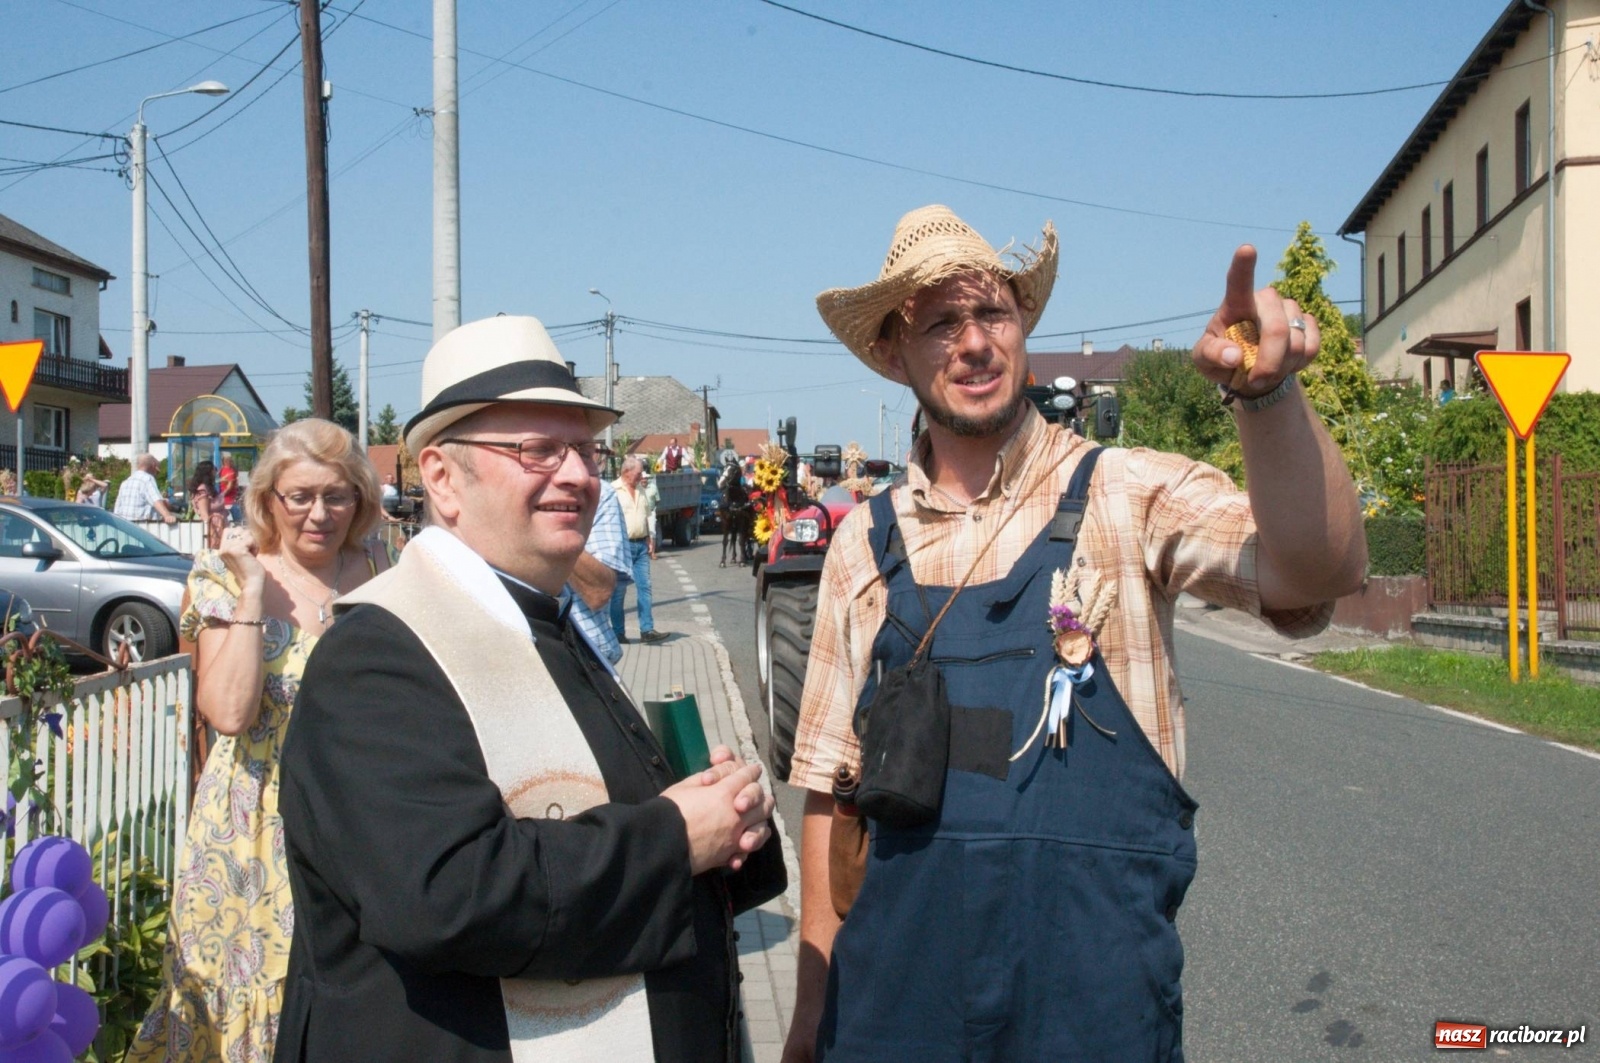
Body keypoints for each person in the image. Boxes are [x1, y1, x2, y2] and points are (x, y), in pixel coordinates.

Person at [783, 205, 1366, 1061]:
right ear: (893, 354)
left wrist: (1269, 395)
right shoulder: (858, 547)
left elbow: (1317, 572)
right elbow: (831, 803)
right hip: (891, 1021)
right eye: (941, 322)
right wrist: (806, 1023)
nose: (974, 342)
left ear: (1023, 326)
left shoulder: (1125, 497)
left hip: (1094, 1022)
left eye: (993, 313)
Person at [275, 315, 782, 1063]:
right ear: (442, 477)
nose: (578, 474)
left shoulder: (539, 620)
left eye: (584, 448)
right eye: (539, 449)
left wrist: (730, 819)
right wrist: (675, 836)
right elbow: (448, 892)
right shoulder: (375, 656)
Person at [127, 419, 388, 1063]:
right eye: (299, 496)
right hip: (254, 825)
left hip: (356, 816)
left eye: (337, 495)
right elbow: (230, 712)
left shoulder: (381, 569)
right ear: (268, 499)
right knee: (251, 993)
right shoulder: (226, 575)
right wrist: (251, 591)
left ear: (360, 499)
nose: (319, 513)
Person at [569, 477, 629, 663]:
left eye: (584, 452)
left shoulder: (599, 492)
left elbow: (598, 592)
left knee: (643, 590)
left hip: (585, 656)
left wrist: (553, 534)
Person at [610, 456, 667, 644]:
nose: (641, 476)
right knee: (619, 592)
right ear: (626, 472)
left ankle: (647, 630)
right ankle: (618, 633)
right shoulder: (613, 490)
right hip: (621, 547)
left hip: (641, 545)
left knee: (645, 587)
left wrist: (650, 538)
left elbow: (646, 516)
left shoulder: (642, 490)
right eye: (638, 473)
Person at [113, 453, 178, 524]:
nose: (156, 475)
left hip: (126, 526)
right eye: (157, 471)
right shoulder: (147, 479)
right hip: (142, 527)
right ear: (153, 465)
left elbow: (117, 507)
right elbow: (156, 500)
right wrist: (167, 515)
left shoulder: (125, 482)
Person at [187, 459, 226, 549]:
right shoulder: (202, 489)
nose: (215, 473)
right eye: (213, 470)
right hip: (213, 526)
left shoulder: (209, 487)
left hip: (218, 525)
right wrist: (213, 533)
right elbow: (204, 513)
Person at [218, 452, 242, 524]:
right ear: (227, 461)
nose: (232, 462)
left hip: (222, 502)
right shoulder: (231, 472)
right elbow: (229, 488)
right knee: (238, 523)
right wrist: (221, 495)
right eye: (231, 460)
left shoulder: (220, 471)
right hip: (231, 501)